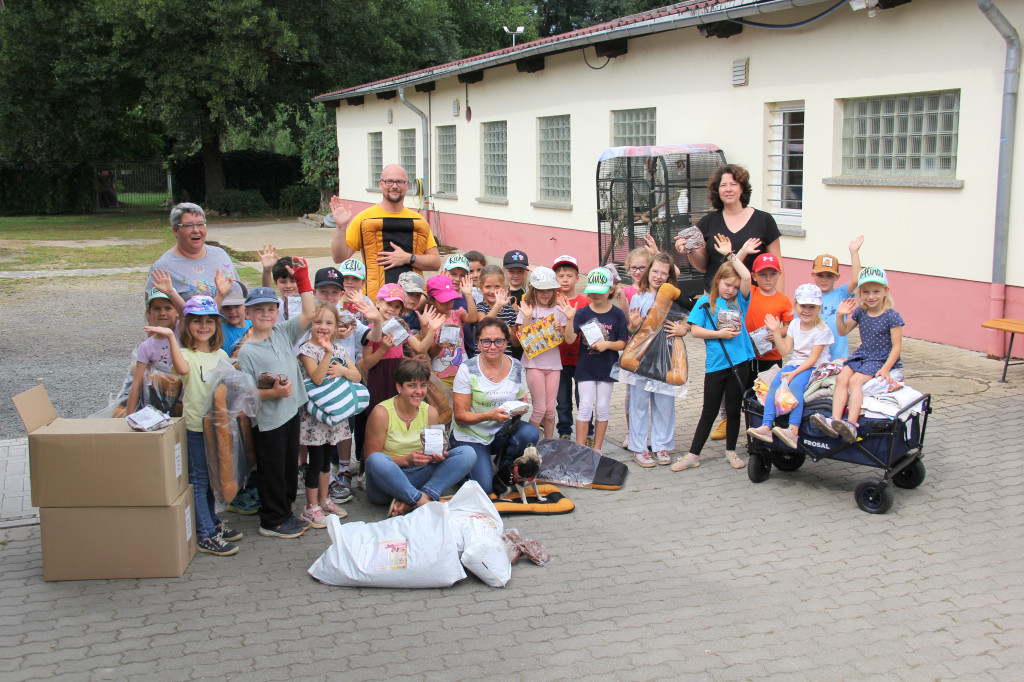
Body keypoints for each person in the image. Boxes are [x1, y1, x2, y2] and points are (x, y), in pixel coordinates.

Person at [674, 164, 783, 441]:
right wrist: (688, 251)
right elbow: (701, 266)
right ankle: (728, 418)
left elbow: (777, 265)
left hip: (752, 299)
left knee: (761, 354)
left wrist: (778, 304)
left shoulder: (764, 220)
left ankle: (764, 417)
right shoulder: (708, 222)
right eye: (723, 184)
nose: (728, 188)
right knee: (726, 357)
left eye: (734, 183)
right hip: (720, 301)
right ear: (717, 190)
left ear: (742, 187)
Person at [147, 295, 241, 557]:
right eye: (197, 321)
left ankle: (212, 521)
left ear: (216, 326)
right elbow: (181, 368)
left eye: (209, 321)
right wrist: (169, 335)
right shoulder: (186, 354)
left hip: (218, 428)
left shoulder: (221, 354)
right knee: (199, 480)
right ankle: (206, 533)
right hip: (196, 428)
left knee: (213, 479)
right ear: (186, 325)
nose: (203, 326)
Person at [234, 258, 315, 540]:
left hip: (290, 412)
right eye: (259, 310)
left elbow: (309, 312)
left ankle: (285, 512)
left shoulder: (282, 332)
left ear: (277, 310)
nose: (266, 314)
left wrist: (303, 280)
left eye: (270, 309)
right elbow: (245, 395)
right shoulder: (246, 351)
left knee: (287, 467)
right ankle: (271, 520)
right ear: (248, 313)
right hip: (268, 421)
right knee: (272, 469)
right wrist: (274, 393)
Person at [673, 236, 760, 472]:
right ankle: (693, 455)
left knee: (733, 410)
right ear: (717, 281)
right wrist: (719, 334)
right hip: (715, 365)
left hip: (739, 363)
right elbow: (695, 331)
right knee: (708, 412)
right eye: (726, 284)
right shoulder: (704, 302)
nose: (731, 290)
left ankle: (731, 452)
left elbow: (746, 277)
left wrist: (732, 254)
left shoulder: (740, 302)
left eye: (734, 286)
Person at [362, 360, 476, 516]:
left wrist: (436, 456)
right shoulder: (382, 413)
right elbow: (370, 460)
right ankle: (422, 501)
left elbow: (431, 452)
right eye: (412, 385)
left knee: (467, 453)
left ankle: (418, 499)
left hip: (417, 475)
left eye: (423, 385)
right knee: (377, 460)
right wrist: (406, 460)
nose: (419, 391)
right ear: (398, 387)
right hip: (385, 484)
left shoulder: (430, 412)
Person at [812, 267, 904, 443]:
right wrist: (840, 315)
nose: (871, 296)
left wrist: (885, 368)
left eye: (876, 291)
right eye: (866, 292)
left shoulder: (892, 316)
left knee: (855, 382)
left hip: (879, 357)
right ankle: (834, 420)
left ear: (886, 291)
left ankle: (852, 425)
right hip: (862, 354)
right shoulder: (861, 311)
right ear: (860, 293)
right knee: (842, 378)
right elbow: (843, 330)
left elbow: (897, 347)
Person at [451, 319, 539, 494]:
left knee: (530, 433)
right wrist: (488, 416)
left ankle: (503, 469)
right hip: (471, 434)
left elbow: (520, 399)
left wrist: (521, 407)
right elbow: (460, 416)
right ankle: (456, 463)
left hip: (501, 431)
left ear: (506, 342)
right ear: (478, 343)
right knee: (484, 488)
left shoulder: (517, 367)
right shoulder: (467, 369)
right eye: (486, 341)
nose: (492, 346)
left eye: (498, 341)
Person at [329, 164, 442, 299]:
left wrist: (408, 258)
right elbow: (339, 258)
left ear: (407, 185)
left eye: (400, 182)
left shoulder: (418, 221)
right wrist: (341, 227)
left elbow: (435, 263)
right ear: (381, 183)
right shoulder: (363, 219)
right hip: (375, 301)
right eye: (389, 181)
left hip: (412, 301)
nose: (394, 186)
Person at [747, 284, 833, 449]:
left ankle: (793, 430)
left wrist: (793, 374)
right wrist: (776, 331)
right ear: (795, 305)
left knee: (794, 386)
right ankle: (766, 426)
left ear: (819, 307)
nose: (806, 310)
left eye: (812, 307)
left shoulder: (822, 330)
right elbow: (785, 350)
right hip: (795, 363)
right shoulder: (794, 324)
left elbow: (813, 359)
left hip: (815, 367)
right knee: (775, 383)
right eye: (803, 306)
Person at [625, 253, 689, 467]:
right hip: (642, 357)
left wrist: (684, 329)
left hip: (666, 355)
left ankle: (662, 446)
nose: (658, 276)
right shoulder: (638, 297)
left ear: (670, 275)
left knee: (664, 402)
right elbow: (632, 330)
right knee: (639, 403)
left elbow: (690, 319)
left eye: (664, 273)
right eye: (655, 271)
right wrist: (633, 325)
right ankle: (639, 447)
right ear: (647, 271)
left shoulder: (675, 297)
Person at [297, 302, 358, 528]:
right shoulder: (306, 350)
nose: (323, 327)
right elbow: (318, 378)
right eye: (318, 322)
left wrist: (342, 369)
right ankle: (310, 505)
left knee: (326, 461)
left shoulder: (339, 349)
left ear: (335, 327)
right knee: (315, 461)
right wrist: (328, 354)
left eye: (328, 323)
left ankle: (324, 499)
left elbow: (357, 376)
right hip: (314, 418)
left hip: (333, 415)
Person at [560, 267, 629, 453]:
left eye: (601, 291)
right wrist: (569, 319)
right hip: (585, 368)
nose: (595, 295)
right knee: (585, 406)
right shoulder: (582, 313)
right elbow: (569, 339)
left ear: (611, 290)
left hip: (607, 368)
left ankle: (597, 449)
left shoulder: (617, 314)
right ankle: (580, 449)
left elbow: (623, 342)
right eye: (592, 291)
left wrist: (608, 345)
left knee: (602, 408)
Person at [516, 267, 568, 440]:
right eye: (541, 290)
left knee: (550, 409)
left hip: (554, 365)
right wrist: (526, 318)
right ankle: (528, 443)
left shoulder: (559, 311)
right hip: (534, 365)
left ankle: (548, 445)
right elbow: (522, 340)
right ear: (533, 290)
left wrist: (561, 329)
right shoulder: (527, 309)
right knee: (539, 409)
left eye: (549, 290)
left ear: (554, 291)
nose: (545, 294)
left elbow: (565, 338)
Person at [147, 203, 239, 300]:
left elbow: (240, 293)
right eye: (188, 225)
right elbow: (155, 311)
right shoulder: (162, 268)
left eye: (200, 224)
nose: (196, 230)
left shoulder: (221, 254)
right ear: (175, 230)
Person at [552, 255, 590, 442]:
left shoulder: (585, 301)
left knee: (584, 398)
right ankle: (564, 431)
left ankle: (588, 432)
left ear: (577, 278)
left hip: (583, 359)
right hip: (558, 359)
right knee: (563, 400)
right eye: (560, 276)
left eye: (569, 275)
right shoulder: (551, 301)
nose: (564, 279)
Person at [812, 235, 864, 361]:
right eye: (820, 275)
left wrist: (854, 252)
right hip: (813, 357)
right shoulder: (808, 296)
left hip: (837, 357)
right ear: (813, 275)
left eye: (829, 276)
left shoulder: (842, 293)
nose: (824, 279)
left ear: (837, 277)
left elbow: (856, 280)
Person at [746, 253, 794, 375]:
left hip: (772, 356)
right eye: (763, 274)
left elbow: (790, 327)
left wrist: (778, 333)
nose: (768, 279)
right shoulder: (750, 292)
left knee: (768, 390)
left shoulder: (784, 300)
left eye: (772, 274)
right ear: (754, 276)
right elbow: (736, 276)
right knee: (747, 390)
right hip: (748, 354)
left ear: (779, 275)